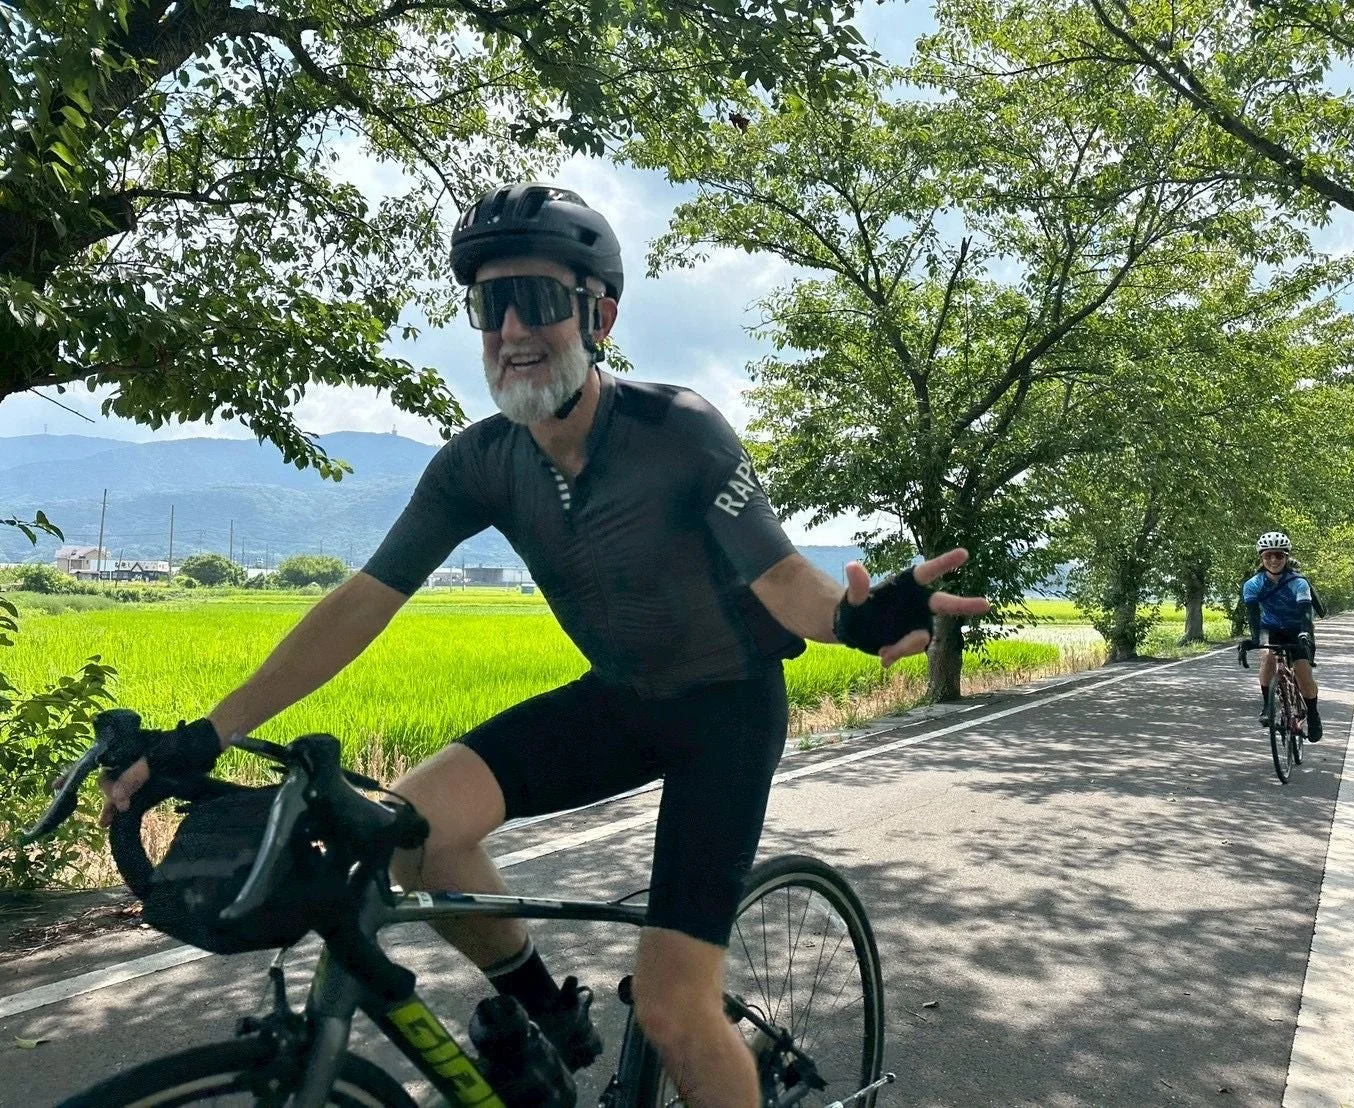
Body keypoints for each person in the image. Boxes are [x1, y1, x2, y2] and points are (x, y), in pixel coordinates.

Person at [95, 183, 990, 1108]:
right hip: (619, 699)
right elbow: (362, 601)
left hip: (725, 712)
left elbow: (786, 582)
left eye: (539, 300)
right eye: (491, 305)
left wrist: (854, 620)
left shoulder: (676, 431)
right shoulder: (480, 463)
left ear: (598, 316)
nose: (514, 329)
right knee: (410, 833)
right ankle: (546, 1013)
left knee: (674, 1010)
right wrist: (208, 733)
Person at [1241, 531, 1321, 742]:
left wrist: (1304, 633)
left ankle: (1313, 714)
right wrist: (1254, 639)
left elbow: (1305, 612)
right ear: (1262, 558)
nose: (1273, 560)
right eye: (1268, 555)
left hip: (1298, 628)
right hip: (1270, 628)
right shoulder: (1253, 584)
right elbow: (1253, 616)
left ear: (1286, 557)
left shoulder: (1298, 583)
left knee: (1304, 677)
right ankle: (1267, 706)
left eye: (1278, 555)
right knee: (1267, 656)